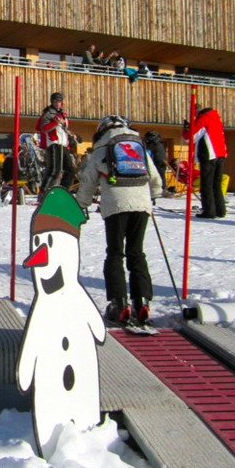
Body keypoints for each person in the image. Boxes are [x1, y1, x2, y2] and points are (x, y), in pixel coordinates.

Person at [75, 115, 162, 325]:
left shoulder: (101, 149)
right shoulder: (138, 146)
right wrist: (153, 195)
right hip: (141, 204)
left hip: (115, 205)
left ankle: (119, 304)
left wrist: (81, 203)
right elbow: (155, 177)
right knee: (137, 252)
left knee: (115, 253)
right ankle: (142, 302)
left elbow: (88, 181)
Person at [182, 106, 227, 218]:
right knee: (216, 184)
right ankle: (220, 210)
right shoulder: (215, 117)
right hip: (220, 153)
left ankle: (209, 211)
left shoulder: (203, 118)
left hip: (209, 154)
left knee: (207, 184)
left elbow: (190, 137)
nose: (193, 116)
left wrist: (186, 129)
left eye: (193, 113)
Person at [37, 92, 78, 192]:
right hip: (54, 143)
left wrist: (71, 134)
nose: (57, 103)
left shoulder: (63, 115)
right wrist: (56, 122)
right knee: (55, 170)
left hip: (63, 144)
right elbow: (43, 128)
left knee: (70, 170)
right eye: (55, 101)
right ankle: (44, 191)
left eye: (59, 101)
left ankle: (62, 190)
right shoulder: (48, 114)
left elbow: (63, 130)